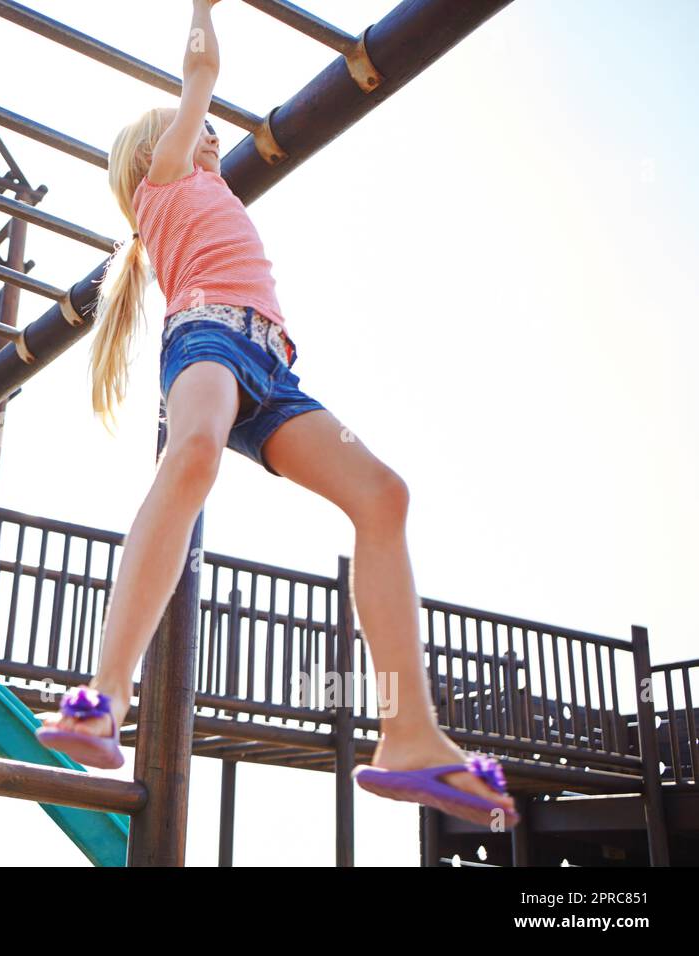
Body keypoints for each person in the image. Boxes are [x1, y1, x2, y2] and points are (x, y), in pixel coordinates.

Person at [34, 0, 518, 830]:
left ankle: (408, 734)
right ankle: (103, 697)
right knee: (191, 456)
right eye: (195, 133)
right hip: (209, 340)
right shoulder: (167, 179)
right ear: (158, 151)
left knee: (384, 494)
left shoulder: (208, 192)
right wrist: (201, 9)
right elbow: (201, 75)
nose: (212, 137)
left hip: (273, 369)